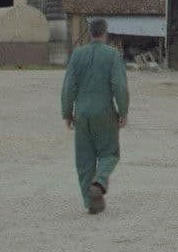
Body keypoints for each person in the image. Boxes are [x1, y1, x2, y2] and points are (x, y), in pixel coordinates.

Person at [61, 18, 129, 213]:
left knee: (84, 160)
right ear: (105, 33)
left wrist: (67, 113)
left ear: (90, 33)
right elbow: (120, 86)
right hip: (105, 114)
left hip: (82, 114)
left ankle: (91, 203)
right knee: (110, 153)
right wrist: (123, 111)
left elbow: (68, 87)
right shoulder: (113, 55)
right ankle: (99, 183)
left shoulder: (77, 55)